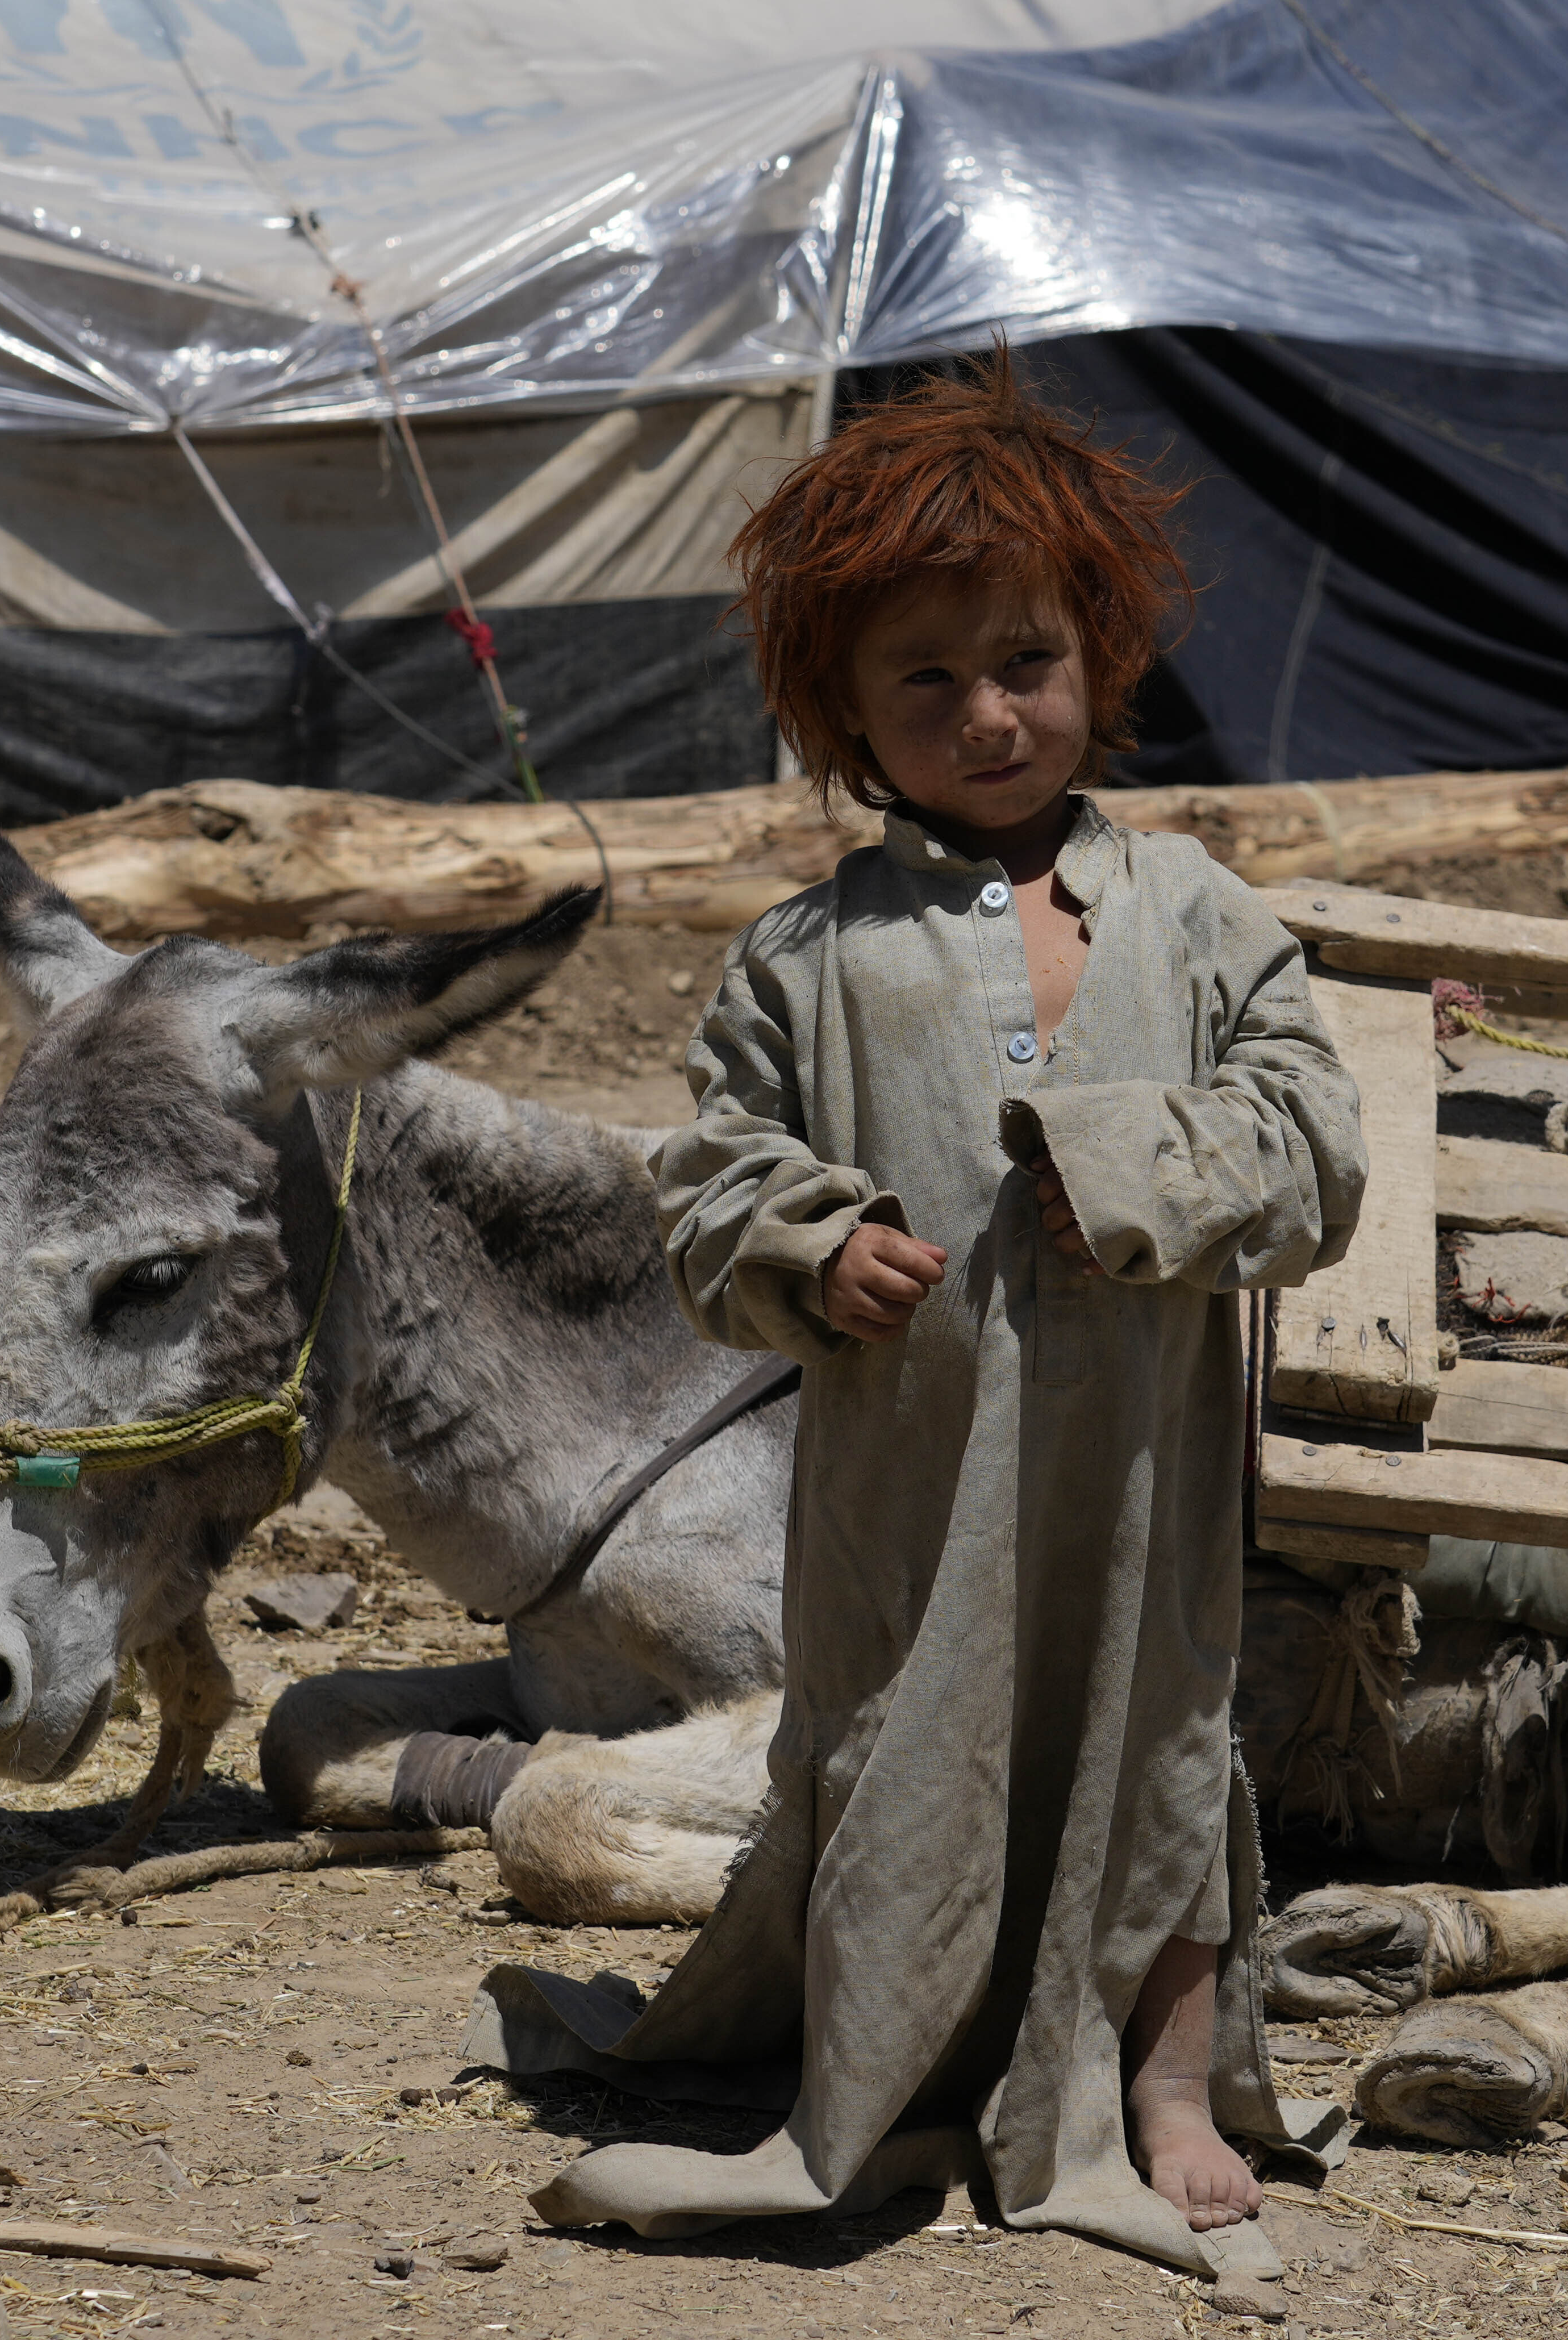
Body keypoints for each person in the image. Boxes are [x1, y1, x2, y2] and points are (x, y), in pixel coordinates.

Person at [474, 357, 1368, 2285]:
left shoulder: (1200, 917)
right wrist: (812, 1243)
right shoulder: (807, 958)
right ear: (841, 715)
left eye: (1026, 661)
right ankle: (877, 2074)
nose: (987, 713)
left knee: (1160, 1738)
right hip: (906, 1487)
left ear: (1099, 656)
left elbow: (1318, 1150)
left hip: (1141, 1468)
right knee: (901, 1753)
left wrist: (1125, 1160)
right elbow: (706, 1184)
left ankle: (1167, 2086)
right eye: (925, 681)